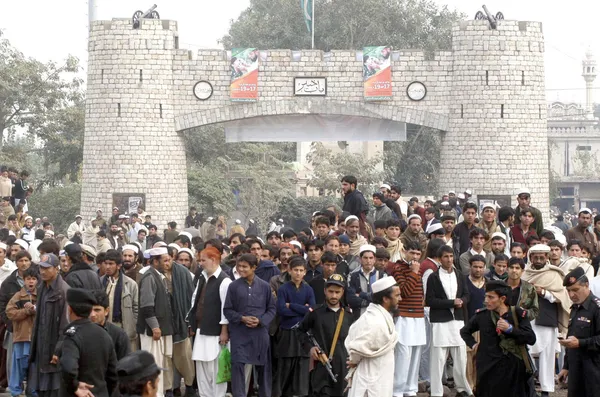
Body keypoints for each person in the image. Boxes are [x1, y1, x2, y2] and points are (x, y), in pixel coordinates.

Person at [460, 280, 537, 397]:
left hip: (513, 368)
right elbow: (464, 331)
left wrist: (511, 329)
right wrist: (474, 345)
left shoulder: (517, 314)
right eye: (486, 296)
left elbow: (531, 339)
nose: (486, 300)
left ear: (502, 299)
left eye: (491, 297)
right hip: (488, 367)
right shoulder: (482, 315)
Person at [521, 244, 571, 397]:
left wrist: (543, 292)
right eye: (535, 257)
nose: (538, 260)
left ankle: (546, 389)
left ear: (547, 257)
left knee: (547, 356)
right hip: (528, 320)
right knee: (525, 353)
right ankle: (527, 387)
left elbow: (562, 297)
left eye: (542, 257)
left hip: (547, 319)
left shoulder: (554, 274)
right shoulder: (524, 274)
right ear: (530, 258)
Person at [224, 253, 276, 397]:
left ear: (254, 268)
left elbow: (272, 309)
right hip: (239, 333)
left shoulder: (265, 286)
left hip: (260, 333)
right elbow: (227, 310)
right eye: (239, 266)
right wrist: (242, 318)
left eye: (245, 267)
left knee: (264, 367)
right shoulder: (233, 286)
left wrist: (260, 321)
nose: (241, 269)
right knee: (238, 366)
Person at [426, 245, 473, 397]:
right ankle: (436, 392)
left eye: (451, 256)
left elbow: (467, 294)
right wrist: (451, 302)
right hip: (440, 321)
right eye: (445, 257)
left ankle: (462, 389)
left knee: (460, 357)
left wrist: (462, 301)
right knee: (438, 358)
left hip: (458, 320)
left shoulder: (459, 274)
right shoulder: (434, 277)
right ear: (440, 259)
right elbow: (430, 300)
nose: (449, 259)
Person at [298, 274, 354, 397]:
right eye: (331, 292)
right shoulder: (315, 313)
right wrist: (310, 348)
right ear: (325, 291)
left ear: (342, 292)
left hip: (343, 367)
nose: (334, 296)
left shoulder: (349, 315)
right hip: (321, 367)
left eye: (337, 292)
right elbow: (300, 332)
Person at [345, 277, 399, 397]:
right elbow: (356, 346)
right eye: (397, 295)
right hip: (369, 377)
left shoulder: (381, 315)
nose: (400, 299)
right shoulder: (373, 320)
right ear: (385, 298)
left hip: (381, 376)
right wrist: (354, 359)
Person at [189, 247, 232, 397]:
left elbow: (226, 309)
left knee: (216, 371)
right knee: (202, 370)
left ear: (213, 260)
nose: (200, 263)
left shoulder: (224, 281)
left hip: (217, 333)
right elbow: (195, 302)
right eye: (199, 260)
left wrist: (224, 331)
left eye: (203, 260)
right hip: (201, 330)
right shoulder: (203, 277)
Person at [59, 288, 117, 397]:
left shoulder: (73, 335)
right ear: (90, 311)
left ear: (69, 309)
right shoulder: (105, 334)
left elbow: (68, 367)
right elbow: (113, 374)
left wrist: (75, 386)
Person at [28, 253, 70, 397]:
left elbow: (66, 325)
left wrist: (58, 350)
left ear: (56, 268)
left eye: (47, 268)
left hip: (53, 349)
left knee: (54, 389)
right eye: (41, 268)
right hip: (41, 347)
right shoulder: (42, 287)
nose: (43, 271)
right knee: (40, 388)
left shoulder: (63, 291)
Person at [274, 256, 315, 397]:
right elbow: (281, 310)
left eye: (301, 270)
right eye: (295, 270)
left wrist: (291, 305)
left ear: (305, 272)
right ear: (289, 271)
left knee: (302, 367)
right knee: (285, 367)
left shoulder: (308, 289)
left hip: (303, 333)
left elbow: (311, 310)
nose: (298, 273)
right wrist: (302, 309)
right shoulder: (283, 289)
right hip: (287, 332)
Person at [137, 247, 174, 397]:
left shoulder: (159, 276)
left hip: (159, 330)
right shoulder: (149, 278)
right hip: (152, 331)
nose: (168, 263)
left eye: (168, 260)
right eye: (164, 260)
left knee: (160, 366)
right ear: (155, 261)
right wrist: (155, 327)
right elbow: (146, 306)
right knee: (152, 366)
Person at [558, 267, 600, 396]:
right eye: (568, 291)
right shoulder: (575, 308)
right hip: (576, 370)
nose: (571, 295)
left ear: (586, 285)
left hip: (594, 370)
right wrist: (566, 366)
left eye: (575, 290)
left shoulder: (596, 308)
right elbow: (571, 337)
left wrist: (580, 343)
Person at [391, 240, 426, 397]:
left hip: (418, 316)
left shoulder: (418, 269)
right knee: (402, 355)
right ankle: (397, 390)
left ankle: (410, 389)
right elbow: (404, 292)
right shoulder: (398, 269)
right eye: (412, 253)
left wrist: (415, 271)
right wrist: (413, 272)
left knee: (415, 354)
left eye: (418, 254)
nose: (415, 257)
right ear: (404, 251)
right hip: (404, 316)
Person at [6, 266, 37, 397]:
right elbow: (10, 312)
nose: (31, 282)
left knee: (33, 366)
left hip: (35, 337)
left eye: (34, 279)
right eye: (28, 279)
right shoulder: (18, 296)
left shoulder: (41, 295)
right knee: (18, 365)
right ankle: (16, 391)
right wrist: (26, 311)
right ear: (24, 280)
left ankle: (33, 391)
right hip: (21, 336)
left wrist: (34, 309)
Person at [89, 290, 131, 360]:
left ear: (106, 311)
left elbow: (126, 366)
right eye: (89, 310)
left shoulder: (119, 336)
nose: (92, 314)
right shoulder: (79, 333)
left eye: (97, 310)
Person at [347, 245, 387, 317]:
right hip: (358, 317)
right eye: (365, 258)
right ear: (360, 259)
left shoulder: (382, 276)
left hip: (377, 317)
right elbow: (351, 299)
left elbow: (383, 299)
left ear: (374, 259)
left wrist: (361, 294)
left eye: (371, 258)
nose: (368, 261)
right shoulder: (352, 276)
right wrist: (373, 301)